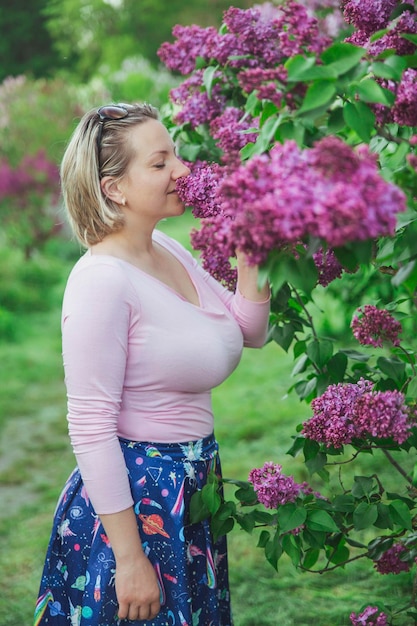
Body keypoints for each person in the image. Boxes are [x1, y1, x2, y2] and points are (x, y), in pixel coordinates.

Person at [34, 102, 270, 626]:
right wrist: (129, 558)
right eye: (160, 163)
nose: (183, 171)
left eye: (176, 157)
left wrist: (253, 256)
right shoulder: (101, 281)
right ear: (114, 187)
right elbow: (90, 426)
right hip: (139, 501)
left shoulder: (164, 247)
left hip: (194, 485)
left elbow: (248, 332)